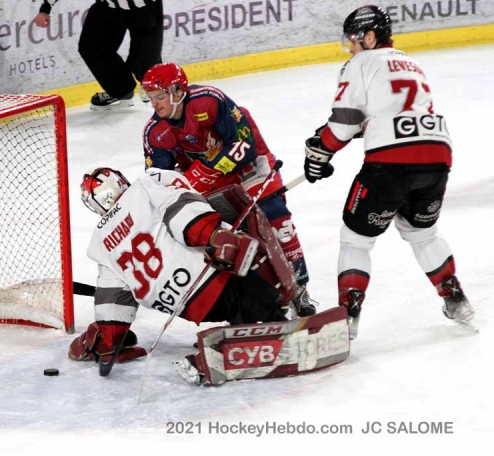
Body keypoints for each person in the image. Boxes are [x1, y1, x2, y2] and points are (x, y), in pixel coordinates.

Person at [302, 5, 475, 339]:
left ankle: (348, 315)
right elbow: (395, 116)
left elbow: (345, 122)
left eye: (353, 40)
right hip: (438, 157)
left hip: (391, 165)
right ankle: (455, 298)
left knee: (355, 239)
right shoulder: (410, 62)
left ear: (369, 36)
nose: (350, 48)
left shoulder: (361, 62)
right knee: (422, 233)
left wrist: (321, 149)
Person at [70, 167, 295, 373]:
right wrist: (213, 235)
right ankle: (274, 329)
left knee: (236, 298)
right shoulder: (145, 185)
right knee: (252, 280)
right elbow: (180, 209)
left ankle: (243, 326)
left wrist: (108, 343)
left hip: (187, 307)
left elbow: (113, 301)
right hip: (211, 277)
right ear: (119, 182)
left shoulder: (99, 242)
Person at [140, 62, 317, 317]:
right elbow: (160, 181)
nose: (154, 104)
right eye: (151, 98)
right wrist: (189, 182)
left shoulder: (208, 101)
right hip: (210, 180)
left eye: (159, 96)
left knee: (277, 219)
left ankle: (299, 286)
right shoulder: (155, 133)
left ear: (178, 92)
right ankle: (260, 301)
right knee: (226, 240)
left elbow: (244, 144)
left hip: (248, 168)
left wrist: (206, 171)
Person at [33, 1, 163, 110]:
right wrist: (46, 7)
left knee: (145, 62)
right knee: (92, 47)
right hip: (108, 6)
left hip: (145, 7)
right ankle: (121, 90)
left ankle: (151, 83)